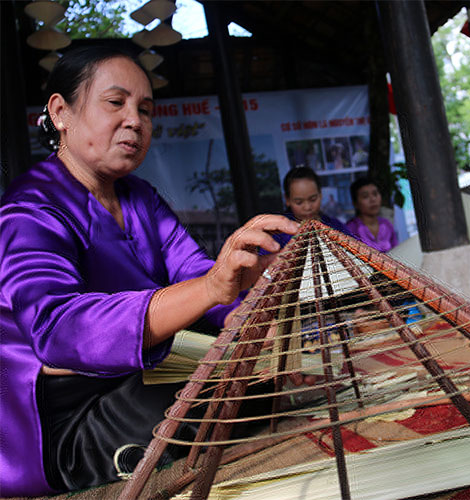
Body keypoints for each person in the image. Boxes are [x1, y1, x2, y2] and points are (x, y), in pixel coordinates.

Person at [0, 47, 298, 496]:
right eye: (115, 103)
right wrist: (210, 287)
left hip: (137, 381)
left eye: (145, 109)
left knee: (252, 375)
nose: (135, 121)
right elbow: (59, 330)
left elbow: (199, 273)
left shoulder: (139, 197)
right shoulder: (28, 209)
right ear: (62, 112)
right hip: (63, 423)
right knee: (205, 396)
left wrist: (248, 287)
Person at [269, 166, 351, 250]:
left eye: (313, 199)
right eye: (299, 202)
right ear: (287, 200)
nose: (307, 207)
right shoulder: (279, 234)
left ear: (320, 194)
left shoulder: (336, 226)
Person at [346, 177, 399, 252]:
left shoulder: (386, 224)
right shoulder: (350, 229)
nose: (373, 199)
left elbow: (398, 252)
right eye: (365, 196)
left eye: (375, 194)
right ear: (355, 203)